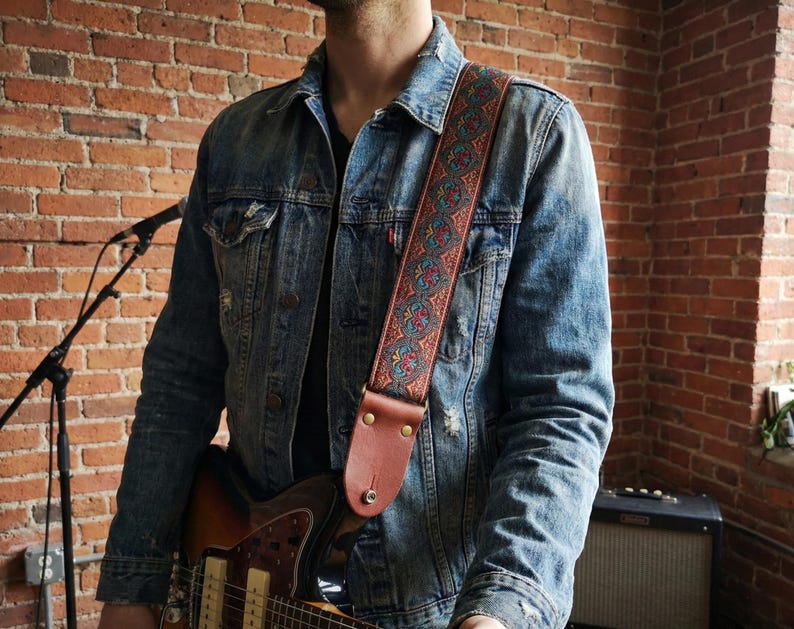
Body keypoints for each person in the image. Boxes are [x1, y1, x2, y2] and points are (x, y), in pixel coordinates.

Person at [96, 1, 614, 627]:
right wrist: (133, 582)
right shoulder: (236, 141)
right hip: (238, 588)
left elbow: (561, 409)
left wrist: (506, 604)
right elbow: (182, 380)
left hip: (435, 610)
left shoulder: (528, 134)